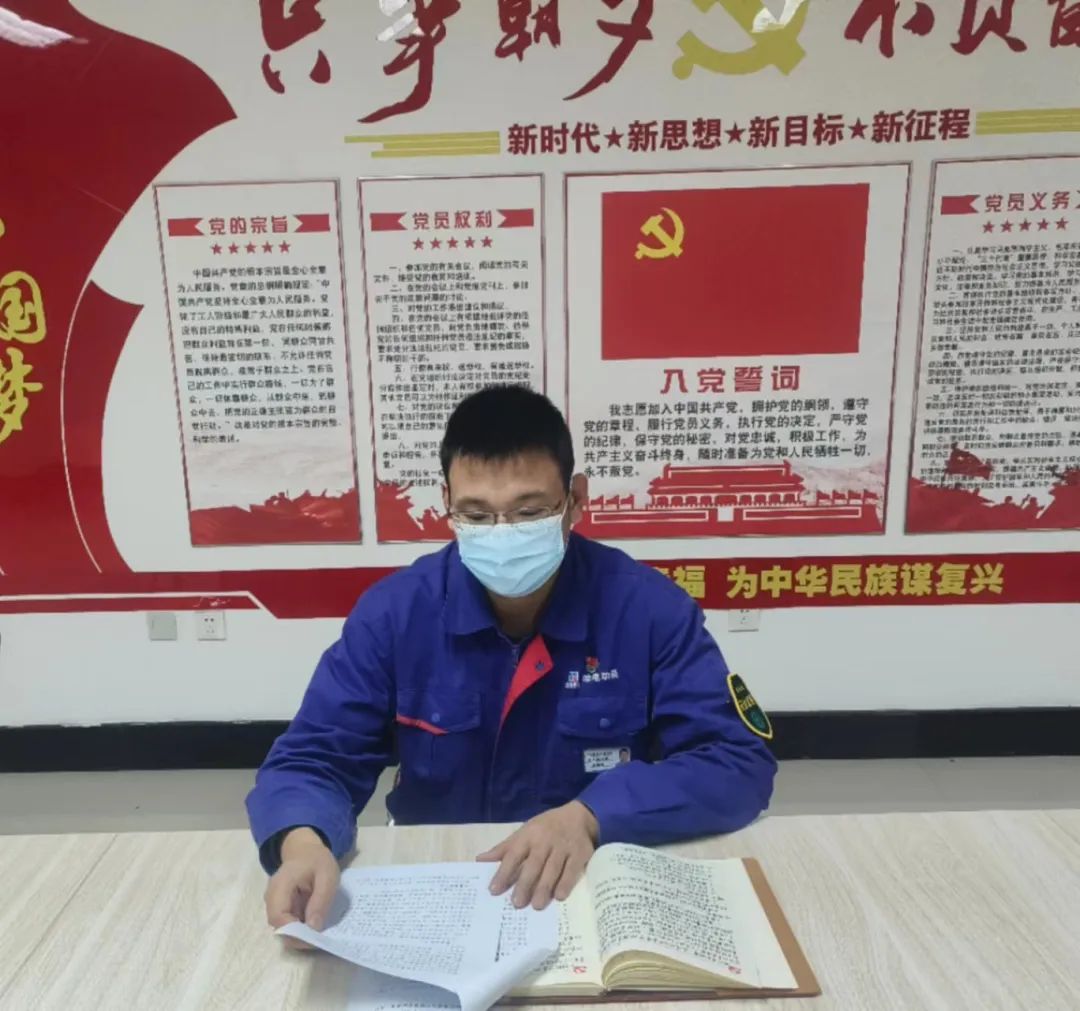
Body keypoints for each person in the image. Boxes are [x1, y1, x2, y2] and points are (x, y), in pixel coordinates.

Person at [246, 385, 776, 936]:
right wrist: (303, 843)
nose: (503, 535)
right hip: (443, 884)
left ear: (575, 499)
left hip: (593, 882)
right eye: (476, 514)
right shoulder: (396, 615)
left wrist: (593, 816)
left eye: (529, 512)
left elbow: (736, 761)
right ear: (446, 502)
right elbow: (314, 758)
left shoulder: (648, 610)